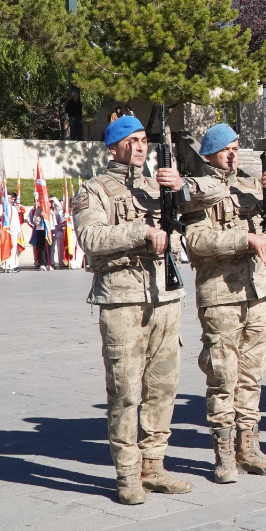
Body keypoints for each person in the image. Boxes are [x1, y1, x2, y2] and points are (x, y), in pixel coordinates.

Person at [73, 115, 192, 505]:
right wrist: (141, 232)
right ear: (113, 147)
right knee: (125, 390)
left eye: (144, 140)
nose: (141, 147)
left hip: (164, 295)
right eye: (132, 140)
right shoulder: (94, 190)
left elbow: (188, 222)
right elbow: (90, 237)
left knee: (163, 387)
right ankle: (127, 473)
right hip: (122, 299)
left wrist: (181, 193)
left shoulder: (155, 187)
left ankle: (154, 465)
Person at [180, 124, 266, 483]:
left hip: (257, 293)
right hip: (220, 295)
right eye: (225, 149)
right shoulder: (197, 190)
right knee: (223, 375)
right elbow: (196, 239)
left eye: (236, 147)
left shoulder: (248, 186)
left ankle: (249, 447)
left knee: (252, 375)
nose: (232, 154)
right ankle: (223, 453)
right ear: (209, 153)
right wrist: (245, 239)